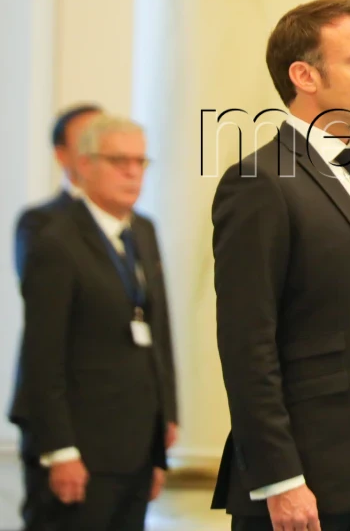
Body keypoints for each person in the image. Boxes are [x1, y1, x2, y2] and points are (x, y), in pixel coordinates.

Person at [211, 0, 350, 531]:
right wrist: (280, 480)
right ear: (304, 76)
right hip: (301, 484)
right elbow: (248, 344)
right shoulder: (260, 181)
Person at [10, 114, 178, 530]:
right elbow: (42, 356)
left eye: (140, 162)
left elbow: (159, 331)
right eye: (119, 160)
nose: (132, 172)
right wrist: (61, 450)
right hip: (82, 446)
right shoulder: (56, 240)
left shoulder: (143, 230)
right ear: (83, 165)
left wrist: (164, 423)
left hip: (136, 444)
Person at [13, 103, 102, 281]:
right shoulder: (40, 222)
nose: (101, 149)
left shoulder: (140, 225)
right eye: (88, 140)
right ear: (62, 155)